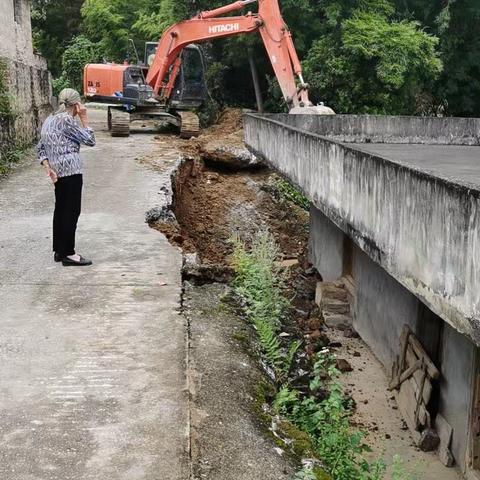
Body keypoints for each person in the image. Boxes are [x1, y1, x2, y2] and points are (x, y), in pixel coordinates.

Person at [37, 88, 96, 266]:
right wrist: (84, 118)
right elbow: (90, 140)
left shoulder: (49, 119)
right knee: (71, 212)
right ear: (77, 104)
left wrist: (48, 167)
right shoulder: (67, 120)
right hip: (72, 171)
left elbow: (40, 148)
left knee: (61, 211)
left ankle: (59, 251)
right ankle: (69, 254)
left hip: (58, 172)